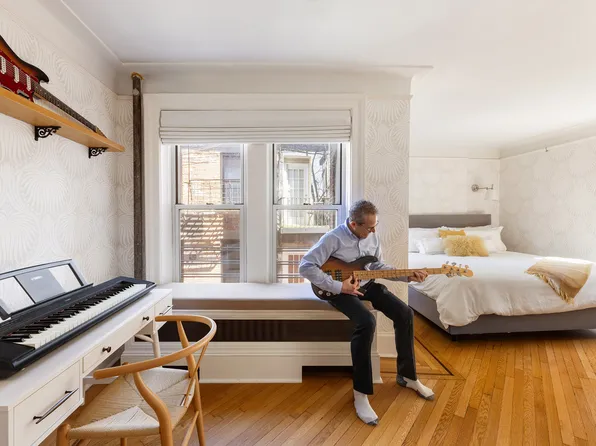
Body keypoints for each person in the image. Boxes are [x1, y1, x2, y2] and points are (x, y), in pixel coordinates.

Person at [299, 200, 434, 426]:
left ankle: (407, 376)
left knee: (405, 313)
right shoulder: (333, 238)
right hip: (339, 290)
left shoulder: (373, 236)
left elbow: (377, 267)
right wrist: (339, 286)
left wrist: (407, 275)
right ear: (354, 224)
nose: (373, 231)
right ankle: (360, 393)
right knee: (367, 322)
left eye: (375, 226)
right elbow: (305, 266)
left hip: (365, 284)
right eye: (369, 228)